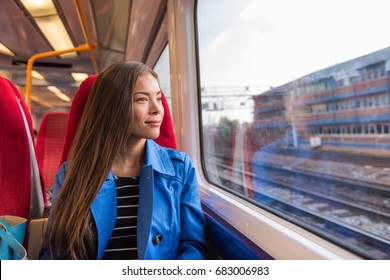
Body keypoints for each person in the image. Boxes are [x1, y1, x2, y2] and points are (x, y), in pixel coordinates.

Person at [39, 61, 206, 260]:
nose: (157, 109)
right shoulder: (71, 174)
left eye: (159, 99)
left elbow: (193, 247)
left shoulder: (181, 169)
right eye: (142, 100)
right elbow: (54, 253)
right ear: (113, 107)